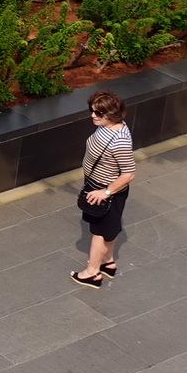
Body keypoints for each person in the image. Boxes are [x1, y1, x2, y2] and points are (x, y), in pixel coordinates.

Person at [72, 90, 136, 287]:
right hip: (97, 186)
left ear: (112, 114)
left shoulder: (119, 142)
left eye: (98, 113)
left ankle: (92, 273)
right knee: (108, 229)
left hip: (105, 192)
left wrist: (105, 192)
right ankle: (107, 262)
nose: (93, 115)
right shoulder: (107, 126)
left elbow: (129, 174)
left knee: (99, 232)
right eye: (92, 110)